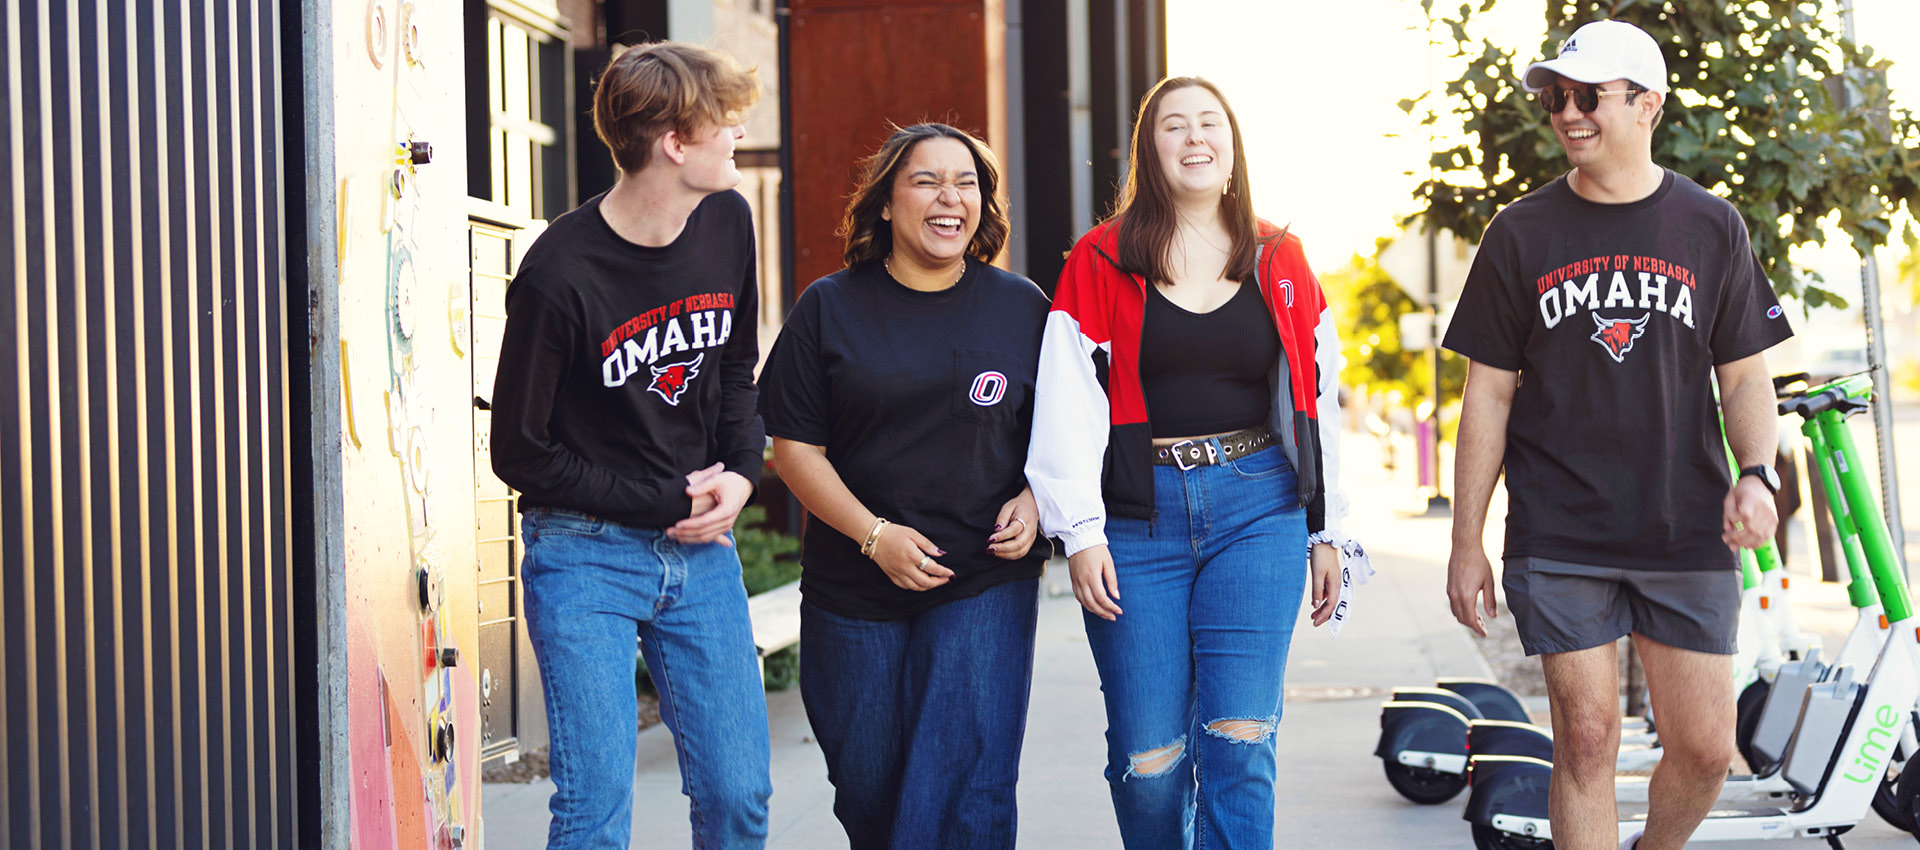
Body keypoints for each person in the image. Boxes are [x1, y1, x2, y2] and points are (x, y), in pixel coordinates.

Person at [1441, 20, 1793, 850]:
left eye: (1589, 96)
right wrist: (1466, 541)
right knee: (1588, 739)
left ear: (1648, 105)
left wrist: (1758, 473)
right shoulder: (1519, 233)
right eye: (1557, 98)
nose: (1569, 113)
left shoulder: (1711, 226)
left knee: (1706, 750)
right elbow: (1488, 396)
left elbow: (1746, 378)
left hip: (1686, 525)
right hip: (1561, 529)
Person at [1025, 76, 1352, 850]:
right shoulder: (1101, 259)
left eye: (1211, 123)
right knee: (1149, 761)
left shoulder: (1280, 257)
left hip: (1258, 505)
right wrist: (1080, 532)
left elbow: (1319, 393)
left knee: (1242, 740)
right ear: (1150, 149)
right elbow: (1067, 400)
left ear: (1233, 149)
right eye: (1175, 125)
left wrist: (1327, 529)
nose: (1195, 137)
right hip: (1136, 522)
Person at [489, 41, 771, 850]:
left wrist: (743, 473)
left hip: (700, 551)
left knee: (738, 795)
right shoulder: (559, 273)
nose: (738, 134)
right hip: (583, 553)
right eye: (723, 121)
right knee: (596, 806)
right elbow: (520, 451)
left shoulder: (727, 220)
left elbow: (737, 367)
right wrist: (664, 499)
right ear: (674, 143)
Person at [756, 122, 1047, 850]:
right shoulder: (829, 306)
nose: (950, 198)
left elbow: (1066, 433)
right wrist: (874, 536)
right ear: (886, 203)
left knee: (969, 790)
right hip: (853, 586)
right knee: (869, 790)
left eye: (966, 183)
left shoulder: (1023, 308)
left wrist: (1037, 499)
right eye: (927, 181)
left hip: (983, 576)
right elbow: (793, 448)